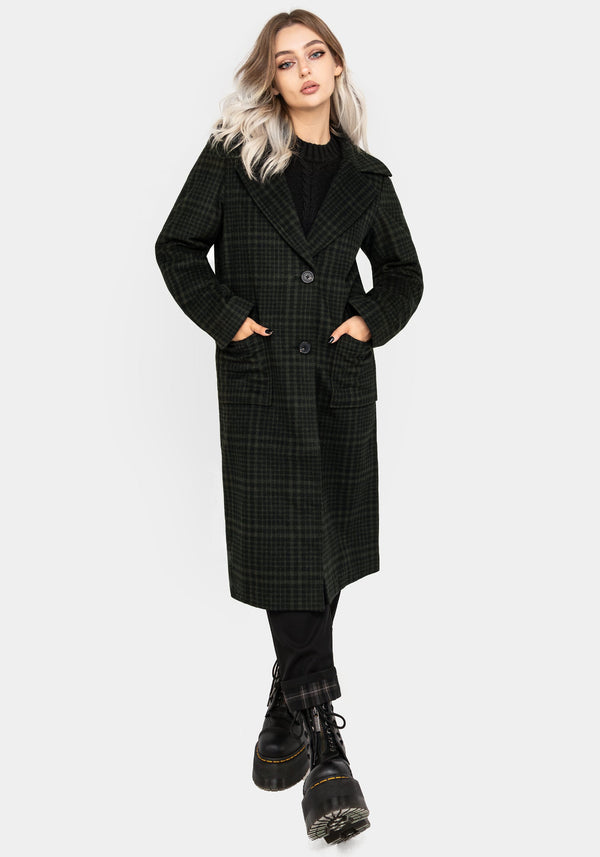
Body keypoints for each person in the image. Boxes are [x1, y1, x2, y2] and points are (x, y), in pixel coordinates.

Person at [154, 9, 424, 844]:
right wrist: (231, 320)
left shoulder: (366, 177)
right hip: (264, 384)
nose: (303, 70)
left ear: (337, 67)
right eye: (285, 61)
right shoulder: (234, 156)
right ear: (270, 78)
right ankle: (326, 748)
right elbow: (177, 246)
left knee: (321, 546)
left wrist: (367, 322)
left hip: (335, 385)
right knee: (291, 544)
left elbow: (405, 273)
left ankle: (287, 699)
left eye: (316, 54)